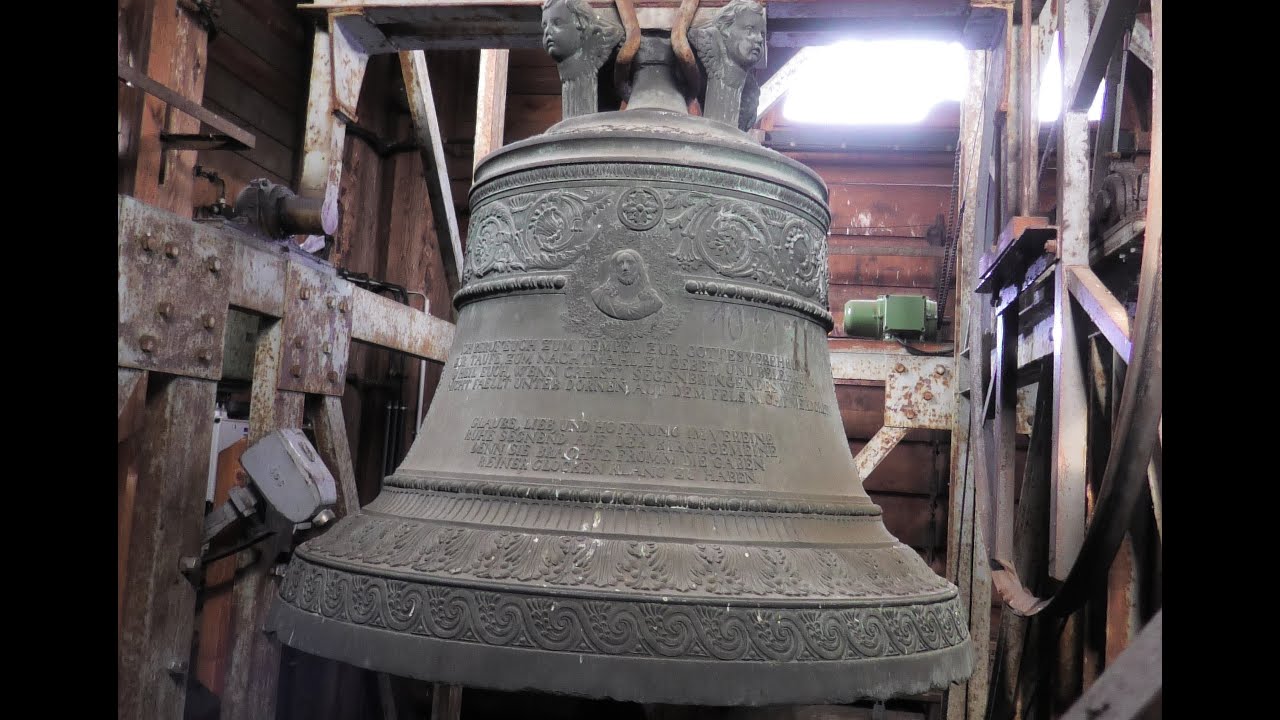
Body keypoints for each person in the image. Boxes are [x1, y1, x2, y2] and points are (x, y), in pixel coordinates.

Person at [591, 249, 663, 321]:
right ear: (614, 270)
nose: (625, 268)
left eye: (630, 263)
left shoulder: (653, 301)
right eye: (620, 264)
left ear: (639, 268)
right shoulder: (600, 297)